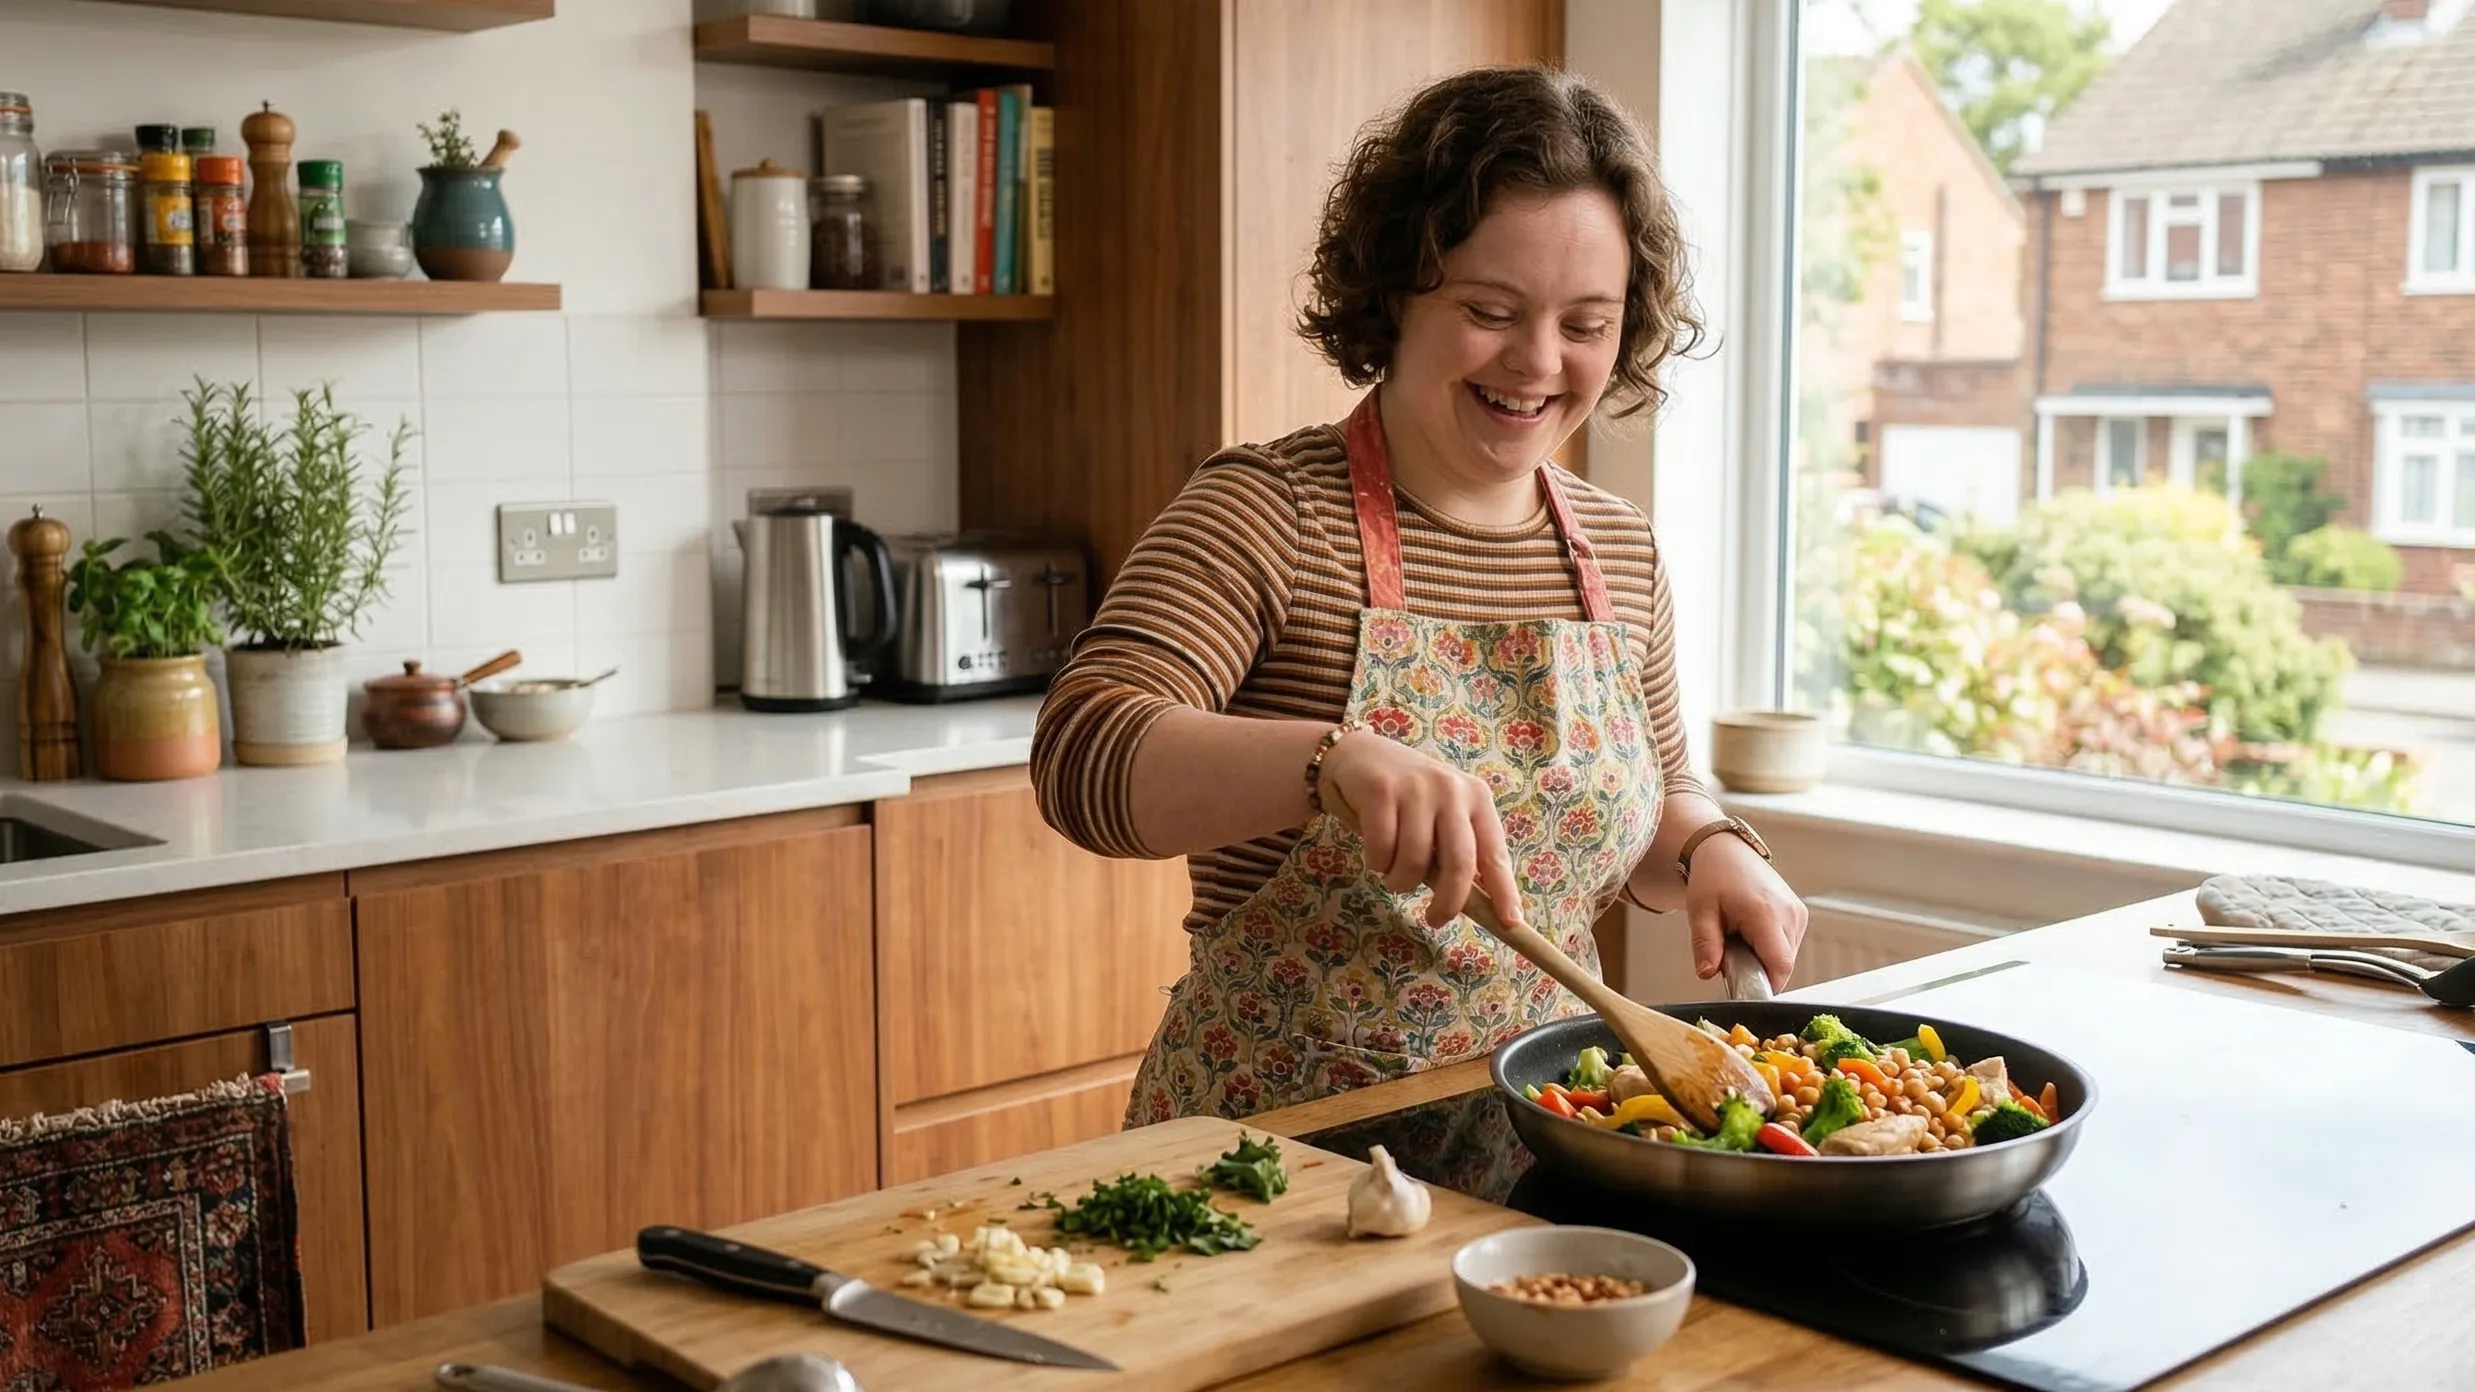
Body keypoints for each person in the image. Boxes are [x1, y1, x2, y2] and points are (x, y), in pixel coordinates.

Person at [1030, 64, 1808, 1200]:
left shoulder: (1620, 550)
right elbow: (1081, 753)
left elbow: (1655, 796)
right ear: (1397, 292)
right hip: (1272, 1167)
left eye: (1585, 324)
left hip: (1543, 1147)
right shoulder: (1270, 511)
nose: (1539, 363)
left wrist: (1707, 849)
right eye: (1490, 312)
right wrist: (1324, 762)